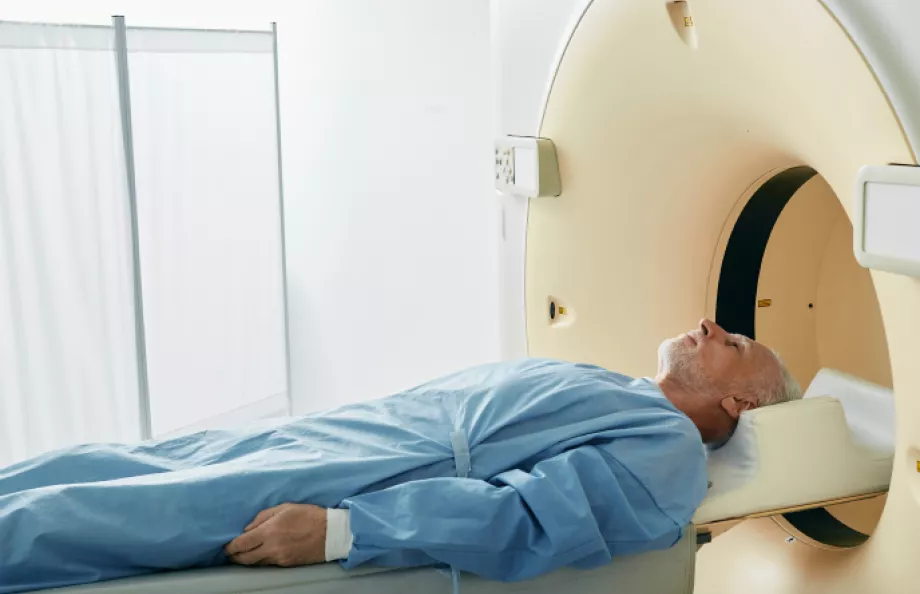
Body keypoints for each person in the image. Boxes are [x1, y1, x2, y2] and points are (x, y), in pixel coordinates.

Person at [0, 319, 801, 594]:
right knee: (115, 463)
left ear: (740, 405)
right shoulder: (620, 388)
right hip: (356, 431)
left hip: (374, 473)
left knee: (104, 513)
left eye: (734, 344)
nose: (709, 325)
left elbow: (524, 519)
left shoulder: (667, 453)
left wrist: (342, 531)